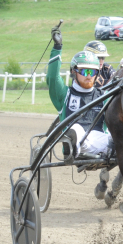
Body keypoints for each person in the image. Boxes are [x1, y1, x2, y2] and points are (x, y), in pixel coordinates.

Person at [47, 26, 112, 159]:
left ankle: (111, 149)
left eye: (92, 72)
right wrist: (57, 48)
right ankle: (72, 145)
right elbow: (52, 78)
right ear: (73, 71)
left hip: (100, 139)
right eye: (84, 71)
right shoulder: (64, 94)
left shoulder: (104, 96)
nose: (89, 76)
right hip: (77, 143)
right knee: (76, 129)